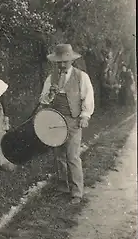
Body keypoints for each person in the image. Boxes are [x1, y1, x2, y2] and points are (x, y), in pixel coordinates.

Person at [36, 44, 95, 204]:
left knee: (72, 156)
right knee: (59, 155)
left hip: (73, 120)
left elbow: (87, 98)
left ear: (71, 61)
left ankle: (77, 192)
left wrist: (85, 116)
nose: (62, 65)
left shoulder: (81, 77)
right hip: (55, 120)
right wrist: (50, 94)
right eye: (59, 62)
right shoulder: (51, 78)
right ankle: (63, 187)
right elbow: (43, 100)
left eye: (65, 62)